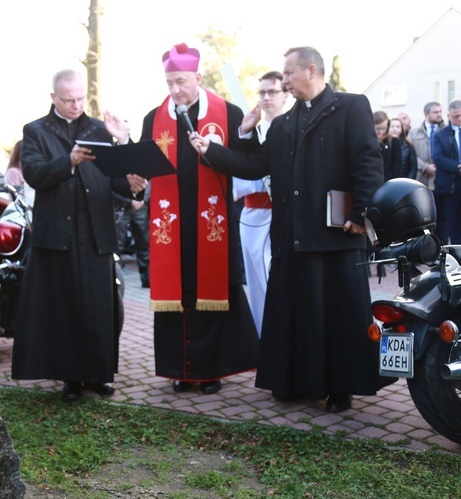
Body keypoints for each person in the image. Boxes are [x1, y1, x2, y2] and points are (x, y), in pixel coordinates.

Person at [197, 46, 390, 412]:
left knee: (337, 316)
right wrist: (213, 150)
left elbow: (367, 161)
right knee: (297, 314)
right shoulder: (283, 124)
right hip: (291, 237)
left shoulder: (351, 107)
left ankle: (340, 388)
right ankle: (295, 382)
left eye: (287, 74)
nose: (283, 81)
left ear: (311, 70)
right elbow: (255, 165)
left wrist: (362, 213)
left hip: (336, 235)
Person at [128, 42, 259, 395]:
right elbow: (141, 169)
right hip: (170, 226)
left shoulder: (227, 113)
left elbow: (251, 164)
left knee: (210, 295)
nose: (174, 90)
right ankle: (180, 370)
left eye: (181, 82)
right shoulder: (152, 120)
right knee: (177, 297)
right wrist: (133, 178)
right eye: (169, 82)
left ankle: (211, 370)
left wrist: (215, 151)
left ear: (198, 77)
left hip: (211, 224)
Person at [11, 69, 146, 401]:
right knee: (65, 308)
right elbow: (34, 174)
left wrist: (132, 186)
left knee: (100, 307)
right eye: (69, 99)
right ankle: (71, 378)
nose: (76, 105)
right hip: (58, 234)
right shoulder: (36, 130)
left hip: (95, 232)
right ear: (54, 97)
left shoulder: (98, 129)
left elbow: (114, 180)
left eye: (81, 98)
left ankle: (98, 376)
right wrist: (68, 162)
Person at [232, 70, 288, 336]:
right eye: (262, 92)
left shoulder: (292, 126)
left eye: (272, 91)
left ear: (285, 94)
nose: (266, 97)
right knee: (256, 284)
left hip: (283, 216)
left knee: (278, 281)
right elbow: (240, 172)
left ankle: (282, 339)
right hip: (253, 214)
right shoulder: (251, 130)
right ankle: (262, 340)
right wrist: (244, 131)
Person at [410, 102, 445, 240]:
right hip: (421, 180)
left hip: (441, 181)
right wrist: (425, 167)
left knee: (441, 216)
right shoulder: (414, 133)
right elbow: (411, 155)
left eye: (440, 111)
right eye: (435, 112)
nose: (439, 114)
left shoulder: (446, 131)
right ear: (426, 114)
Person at [430, 99, 461, 244]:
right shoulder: (440, 135)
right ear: (449, 116)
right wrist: (458, 167)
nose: (459, 119)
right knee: (453, 224)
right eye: (455, 116)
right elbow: (437, 157)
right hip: (450, 187)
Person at [113, 181, 151, 288]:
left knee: (144, 243)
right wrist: (130, 200)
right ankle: (117, 279)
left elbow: (148, 181)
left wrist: (143, 199)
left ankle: (147, 278)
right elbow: (110, 185)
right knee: (117, 246)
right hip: (121, 208)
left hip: (140, 207)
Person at [374, 110, 402, 182]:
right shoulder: (367, 141)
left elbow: (397, 166)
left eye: (384, 128)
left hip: (388, 182)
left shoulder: (393, 142)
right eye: (378, 128)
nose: (381, 132)